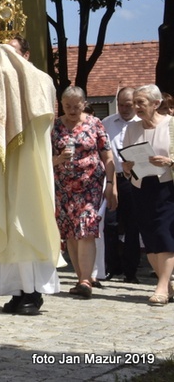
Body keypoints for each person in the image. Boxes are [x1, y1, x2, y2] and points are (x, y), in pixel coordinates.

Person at [0, 36, 63, 315]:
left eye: (12, 53)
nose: (4, 59)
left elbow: (47, 124)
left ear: (26, 55)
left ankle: (33, 291)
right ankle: (17, 291)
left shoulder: (40, 80)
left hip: (28, 163)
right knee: (4, 221)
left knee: (26, 221)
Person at [52, 86, 117, 299]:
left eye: (76, 106)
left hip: (91, 184)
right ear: (61, 104)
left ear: (84, 103)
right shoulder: (54, 126)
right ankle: (80, 277)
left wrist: (111, 184)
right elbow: (43, 160)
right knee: (70, 231)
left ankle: (86, 279)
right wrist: (59, 159)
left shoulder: (94, 123)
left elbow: (108, 157)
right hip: (63, 186)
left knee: (87, 227)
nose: (72, 110)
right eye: (67, 106)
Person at [121, 84, 174, 306]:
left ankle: (161, 287)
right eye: (135, 102)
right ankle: (168, 285)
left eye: (141, 102)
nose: (136, 107)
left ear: (156, 103)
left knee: (164, 235)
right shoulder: (132, 129)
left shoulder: (171, 125)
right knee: (150, 238)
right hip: (141, 186)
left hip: (167, 187)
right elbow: (125, 164)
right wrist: (128, 166)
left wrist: (170, 161)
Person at [101, 87, 141, 283]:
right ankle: (112, 266)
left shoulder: (142, 124)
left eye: (128, 105)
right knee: (109, 224)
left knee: (133, 225)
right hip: (112, 177)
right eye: (121, 104)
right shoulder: (107, 123)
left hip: (134, 178)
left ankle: (130, 270)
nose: (124, 108)